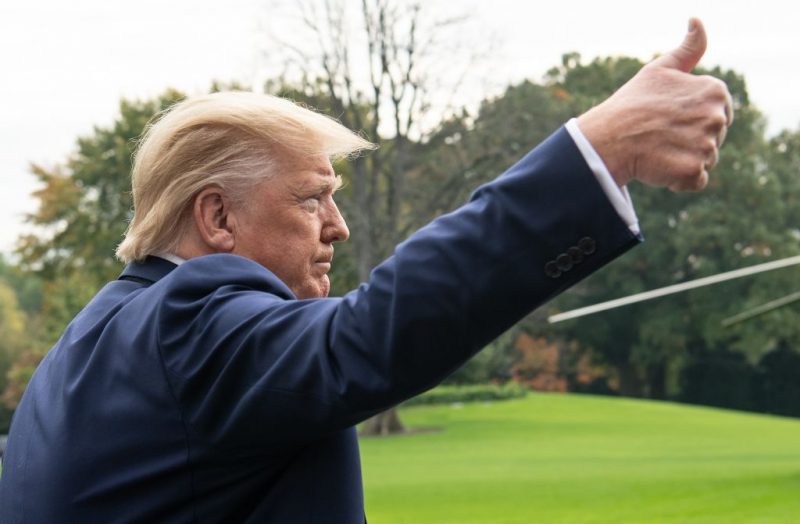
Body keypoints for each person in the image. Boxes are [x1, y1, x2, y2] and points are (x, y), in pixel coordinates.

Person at [0, 18, 731, 523]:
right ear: (217, 218)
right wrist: (598, 153)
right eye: (312, 199)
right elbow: (366, 335)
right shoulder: (191, 322)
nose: (338, 227)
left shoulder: (81, 352)